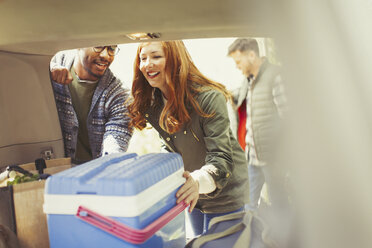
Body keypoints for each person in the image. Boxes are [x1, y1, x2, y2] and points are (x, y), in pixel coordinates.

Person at [127, 41, 248, 235]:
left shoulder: (209, 98)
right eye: (143, 58)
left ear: (175, 60)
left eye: (156, 56)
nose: (147, 64)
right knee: (199, 240)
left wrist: (196, 182)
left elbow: (221, 159)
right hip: (192, 192)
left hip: (224, 193)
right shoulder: (154, 105)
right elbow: (170, 146)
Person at [228, 38, 287, 210]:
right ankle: (251, 235)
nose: (237, 66)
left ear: (252, 55)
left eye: (238, 61)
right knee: (248, 204)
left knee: (279, 202)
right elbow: (237, 98)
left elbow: (288, 118)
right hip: (253, 157)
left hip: (272, 157)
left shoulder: (276, 76)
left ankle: (283, 236)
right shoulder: (249, 81)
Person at [50, 46, 132, 164]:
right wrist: (47, 72)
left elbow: (116, 139)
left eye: (112, 49)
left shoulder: (119, 95)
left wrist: (110, 163)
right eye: (98, 46)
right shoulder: (53, 67)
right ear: (78, 46)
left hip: (93, 170)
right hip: (53, 167)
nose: (106, 55)